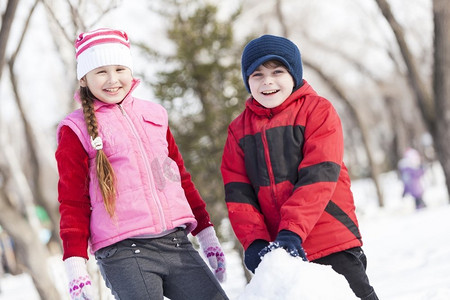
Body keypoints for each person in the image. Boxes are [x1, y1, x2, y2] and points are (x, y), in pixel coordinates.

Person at [56, 28, 228, 300]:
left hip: (176, 243)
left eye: (120, 69)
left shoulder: (154, 115)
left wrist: (207, 236)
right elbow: (72, 201)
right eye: (101, 71)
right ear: (84, 79)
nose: (113, 79)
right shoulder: (75, 129)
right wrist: (76, 266)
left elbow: (180, 179)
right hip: (124, 252)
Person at [221, 34, 378, 300]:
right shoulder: (238, 130)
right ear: (247, 80)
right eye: (257, 74)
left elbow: (319, 175)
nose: (267, 81)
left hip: (330, 239)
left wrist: (291, 230)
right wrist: (255, 240)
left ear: (294, 74)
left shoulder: (318, 111)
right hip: (282, 255)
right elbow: (238, 193)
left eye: (277, 71)